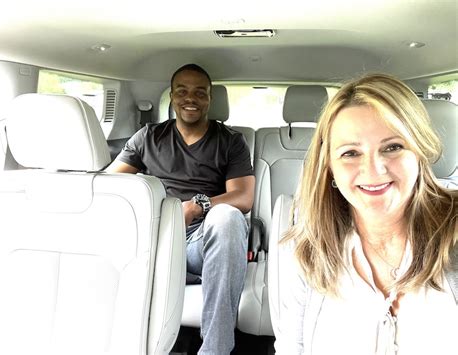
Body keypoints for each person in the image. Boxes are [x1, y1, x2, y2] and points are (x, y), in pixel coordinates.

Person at [275, 73, 457, 355]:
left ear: (419, 152)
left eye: (393, 147)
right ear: (329, 167)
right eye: (350, 153)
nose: (374, 170)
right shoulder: (308, 253)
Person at [106, 63, 255, 354]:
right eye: (182, 91)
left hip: (202, 243)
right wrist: (160, 214)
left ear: (210, 99)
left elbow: (243, 197)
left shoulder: (230, 141)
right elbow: (112, 186)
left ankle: (216, 350)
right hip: (156, 241)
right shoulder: (148, 137)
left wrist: (198, 206)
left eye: (200, 92)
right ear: (172, 96)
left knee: (227, 217)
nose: (191, 98)